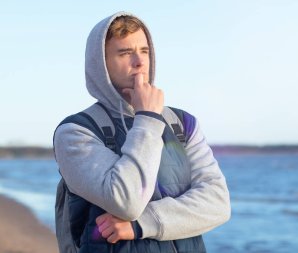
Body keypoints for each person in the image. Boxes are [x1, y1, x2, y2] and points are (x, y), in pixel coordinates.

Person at [54, 11, 230, 253]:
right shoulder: (76, 132)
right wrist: (148, 118)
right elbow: (126, 202)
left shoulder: (182, 123)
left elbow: (218, 204)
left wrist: (141, 224)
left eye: (144, 51)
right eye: (125, 53)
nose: (139, 62)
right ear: (101, 63)